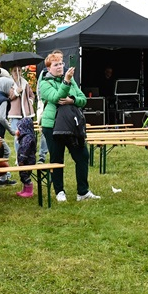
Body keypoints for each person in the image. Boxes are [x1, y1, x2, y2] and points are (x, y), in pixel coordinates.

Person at [37, 53, 100, 203]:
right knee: (57, 159)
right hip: (52, 125)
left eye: (61, 64)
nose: (60, 67)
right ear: (48, 68)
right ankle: (59, 191)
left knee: (82, 155)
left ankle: (83, 192)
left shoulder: (72, 82)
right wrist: (66, 81)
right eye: (56, 65)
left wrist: (73, 100)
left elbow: (83, 99)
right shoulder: (45, 82)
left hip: (72, 125)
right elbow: (56, 98)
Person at [14, 113, 37, 198]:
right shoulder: (26, 137)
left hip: (27, 161)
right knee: (23, 174)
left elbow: (25, 149)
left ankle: (29, 190)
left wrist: (22, 160)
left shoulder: (27, 138)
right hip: (26, 160)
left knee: (25, 175)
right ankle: (25, 189)